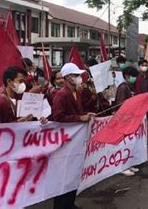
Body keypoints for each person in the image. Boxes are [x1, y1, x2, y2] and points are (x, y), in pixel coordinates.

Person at [52, 62, 96, 209]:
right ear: (68, 77)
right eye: (76, 75)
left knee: (73, 174)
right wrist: (79, 118)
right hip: (65, 142)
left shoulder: (76, 93)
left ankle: (70, 204)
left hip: (74, 141)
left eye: (78, 75)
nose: (79, 77)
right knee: (64, 177)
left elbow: (77, 113)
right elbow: (57, 117)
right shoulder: (61, 95)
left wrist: (85, 115)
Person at [114, 66, 140, 176]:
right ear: (126, 76)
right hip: (123, 119)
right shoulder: (123, 87)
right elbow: (120, 104)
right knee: (123, 144)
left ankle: (128, 164)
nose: (134, 78)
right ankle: (122, 167)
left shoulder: (129, 87)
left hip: (129, 119)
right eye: (132, 76)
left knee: (130, 144)